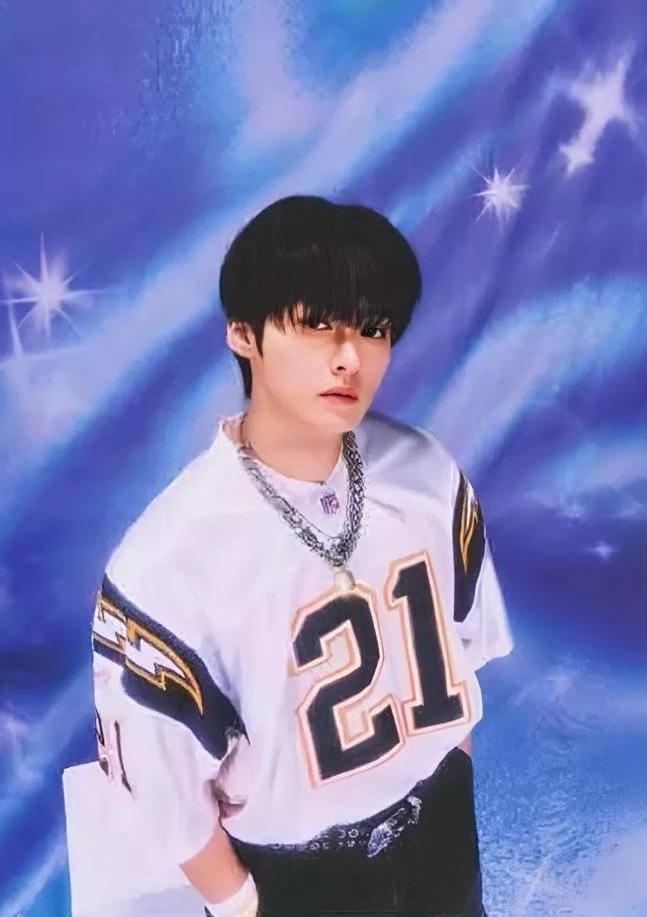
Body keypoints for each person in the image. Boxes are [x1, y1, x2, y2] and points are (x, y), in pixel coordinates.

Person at [91, 194, 513, 917]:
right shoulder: (165, 562)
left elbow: (462, 651)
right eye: (317, 323)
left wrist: (448, 774)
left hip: (438, 828)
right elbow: (165, 795)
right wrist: (242, 904)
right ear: (243, 333)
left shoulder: (426, 473)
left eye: (373, 329)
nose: (350, 357)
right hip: (298, 879)